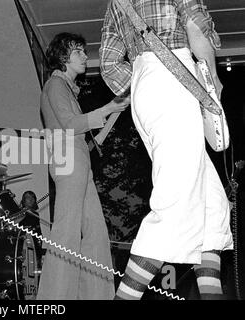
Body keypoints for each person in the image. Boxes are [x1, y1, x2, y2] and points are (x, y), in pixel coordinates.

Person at [99, 0, 233, 300]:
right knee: (174, 206)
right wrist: (212, 82)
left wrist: (144, 77)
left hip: (147, 87)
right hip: (176, 80)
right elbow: (195, 25)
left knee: (212, 208)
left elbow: (108, 63)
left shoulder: (116, 2)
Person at [37, 32, 130, 300]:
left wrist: (113, 111)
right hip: (70, 163)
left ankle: (95, 295)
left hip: (77, 161)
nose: (84, 56)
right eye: (77, 51)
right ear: (62, 57)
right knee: (67, 232)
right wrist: (106, 108)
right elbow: (69, 125)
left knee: (94, 232)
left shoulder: (64, 87)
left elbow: (82, 136)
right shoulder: (55, 85)